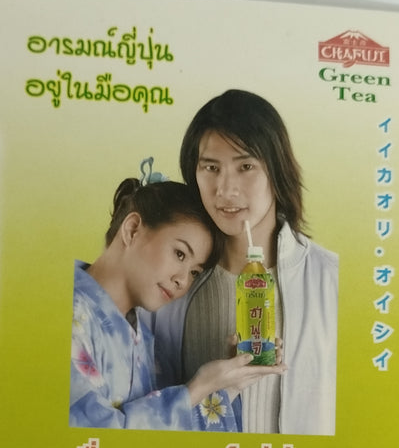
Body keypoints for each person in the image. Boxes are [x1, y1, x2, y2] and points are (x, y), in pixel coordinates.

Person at [149, 90, 338, 435]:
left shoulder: (331, 280)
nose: (225, 189)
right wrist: (208, 386)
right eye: (211, 168)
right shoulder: (163, 282)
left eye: (246, 166)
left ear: (277, 170)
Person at [70, 176, 284, 430]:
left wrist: (230, 382)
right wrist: (198, 387)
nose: (182, 281)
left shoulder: (144, 340)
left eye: (194, 272)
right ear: (132, 229)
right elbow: (87, 437)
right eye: (180, 254)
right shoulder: (61, 314)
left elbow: (171, 437)